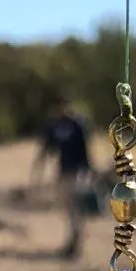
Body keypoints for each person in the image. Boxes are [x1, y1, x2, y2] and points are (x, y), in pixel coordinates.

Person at [32, 98, 95, 259]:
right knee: (66, 206)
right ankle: (73, 239)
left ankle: (75, 242)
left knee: (75, 206)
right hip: (63, 170)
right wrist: (38, 169)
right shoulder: (55, 126)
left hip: (78, 171)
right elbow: (47, 148)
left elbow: (86, 150)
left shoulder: (77, 124)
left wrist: (89, 171)